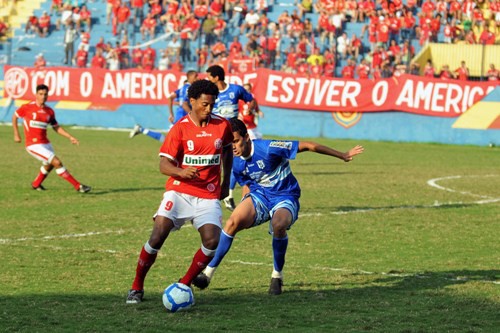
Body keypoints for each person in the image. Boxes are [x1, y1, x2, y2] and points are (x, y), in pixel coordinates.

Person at [192, 118, 364, 294]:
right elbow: (248, 182)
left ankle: (277, 275)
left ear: (246, 137)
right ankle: (207, 274)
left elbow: (309, 145)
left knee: (279, 225)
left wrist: (342, 155)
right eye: (229, 143)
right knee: (232, 222)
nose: (233, 147)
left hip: (285, 196)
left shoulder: (269, 148)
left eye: (235, 141)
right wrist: (245, 204)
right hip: (260, 196)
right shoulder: (235, 160)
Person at [126, 80, 234, 304]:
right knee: (157, 235)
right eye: (204, 104)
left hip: (208, 194)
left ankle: (184, 284)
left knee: (212, 241)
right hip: (179, 192)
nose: (209, 108)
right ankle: (137, 286)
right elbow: (163, 165)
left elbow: (227, 153)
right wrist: (181, 172)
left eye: (212, 104)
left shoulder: (222, 126)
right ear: (192, 101)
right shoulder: (180, 128)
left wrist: (225, 184)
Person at [12, 84, 91, 193]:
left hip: (45, 143)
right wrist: (16, 134)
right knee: (57, 162)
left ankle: (36, 184)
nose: (43, 96)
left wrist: (70, 137)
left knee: (49, 165)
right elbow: (15, 116)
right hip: (33, 145)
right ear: (36, 94)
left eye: (45, 94)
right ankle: (78, 186)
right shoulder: (27, 107)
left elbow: (56, 127)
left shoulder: (49, 111)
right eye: (40, 94)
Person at [205, 65, 256, 211]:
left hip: (233, 133)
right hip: (216, 132)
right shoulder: (210, 94)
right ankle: (212, 194)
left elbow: (250, 99)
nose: (208, 79)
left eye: (209, 76)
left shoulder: (236, 89)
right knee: (213, 163)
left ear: (216, 77)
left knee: (235, 163)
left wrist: (250, 108)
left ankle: (228, 195)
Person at [129, 71, 199, 142]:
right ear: (189, 77)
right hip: (182, 118)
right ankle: (141, 129)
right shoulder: (188, 88)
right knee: (171, 141)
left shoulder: (182, 89)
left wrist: (171, 114)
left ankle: (141, 129)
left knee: (172, 140)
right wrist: (194, 115)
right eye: (195, 76)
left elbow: (170, 98)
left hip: (181, 117)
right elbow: (183, 103)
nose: (197, 78)